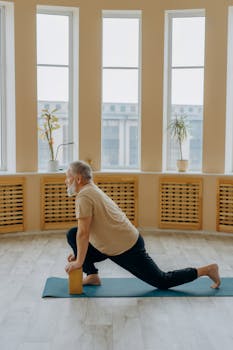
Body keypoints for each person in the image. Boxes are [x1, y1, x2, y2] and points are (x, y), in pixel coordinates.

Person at [65, 160, 221, 290]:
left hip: (126, 247)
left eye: (68, 177)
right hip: (110, 243)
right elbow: (83, 232)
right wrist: (80, 253)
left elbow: (84, 233)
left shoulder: (84, 196)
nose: (66, 181)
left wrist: (79, 260)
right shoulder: (91, 189)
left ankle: (207, 270)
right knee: (72, 233)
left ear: (78, 179)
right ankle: (92, 276)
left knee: (162, 281)